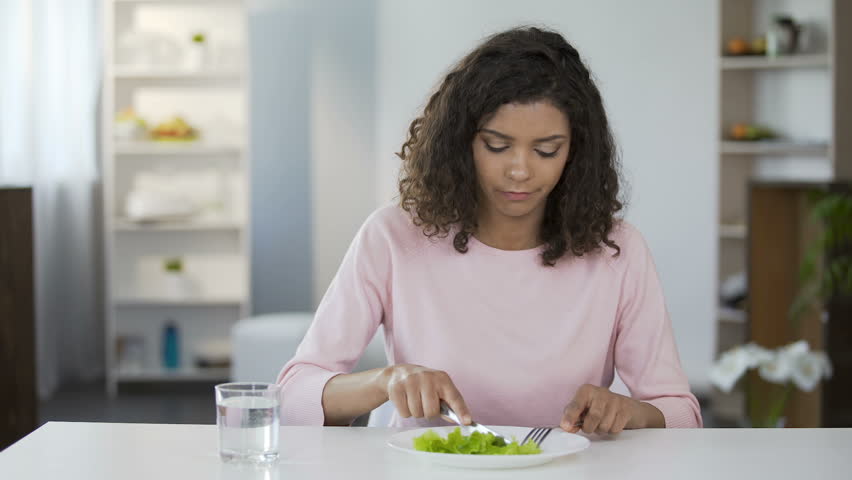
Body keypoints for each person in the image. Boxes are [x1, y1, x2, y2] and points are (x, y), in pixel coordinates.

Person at [277, 26, 702, 434]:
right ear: (461, 142)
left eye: (546, 150)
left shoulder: (618, 250)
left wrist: (631, 412)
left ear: (576, 152)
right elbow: (294, 397)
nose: (519, 170)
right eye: (497, 146)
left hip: (574, 468)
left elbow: (681, 414)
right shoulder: (392, 237)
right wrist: (385, 381)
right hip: (422, 469)